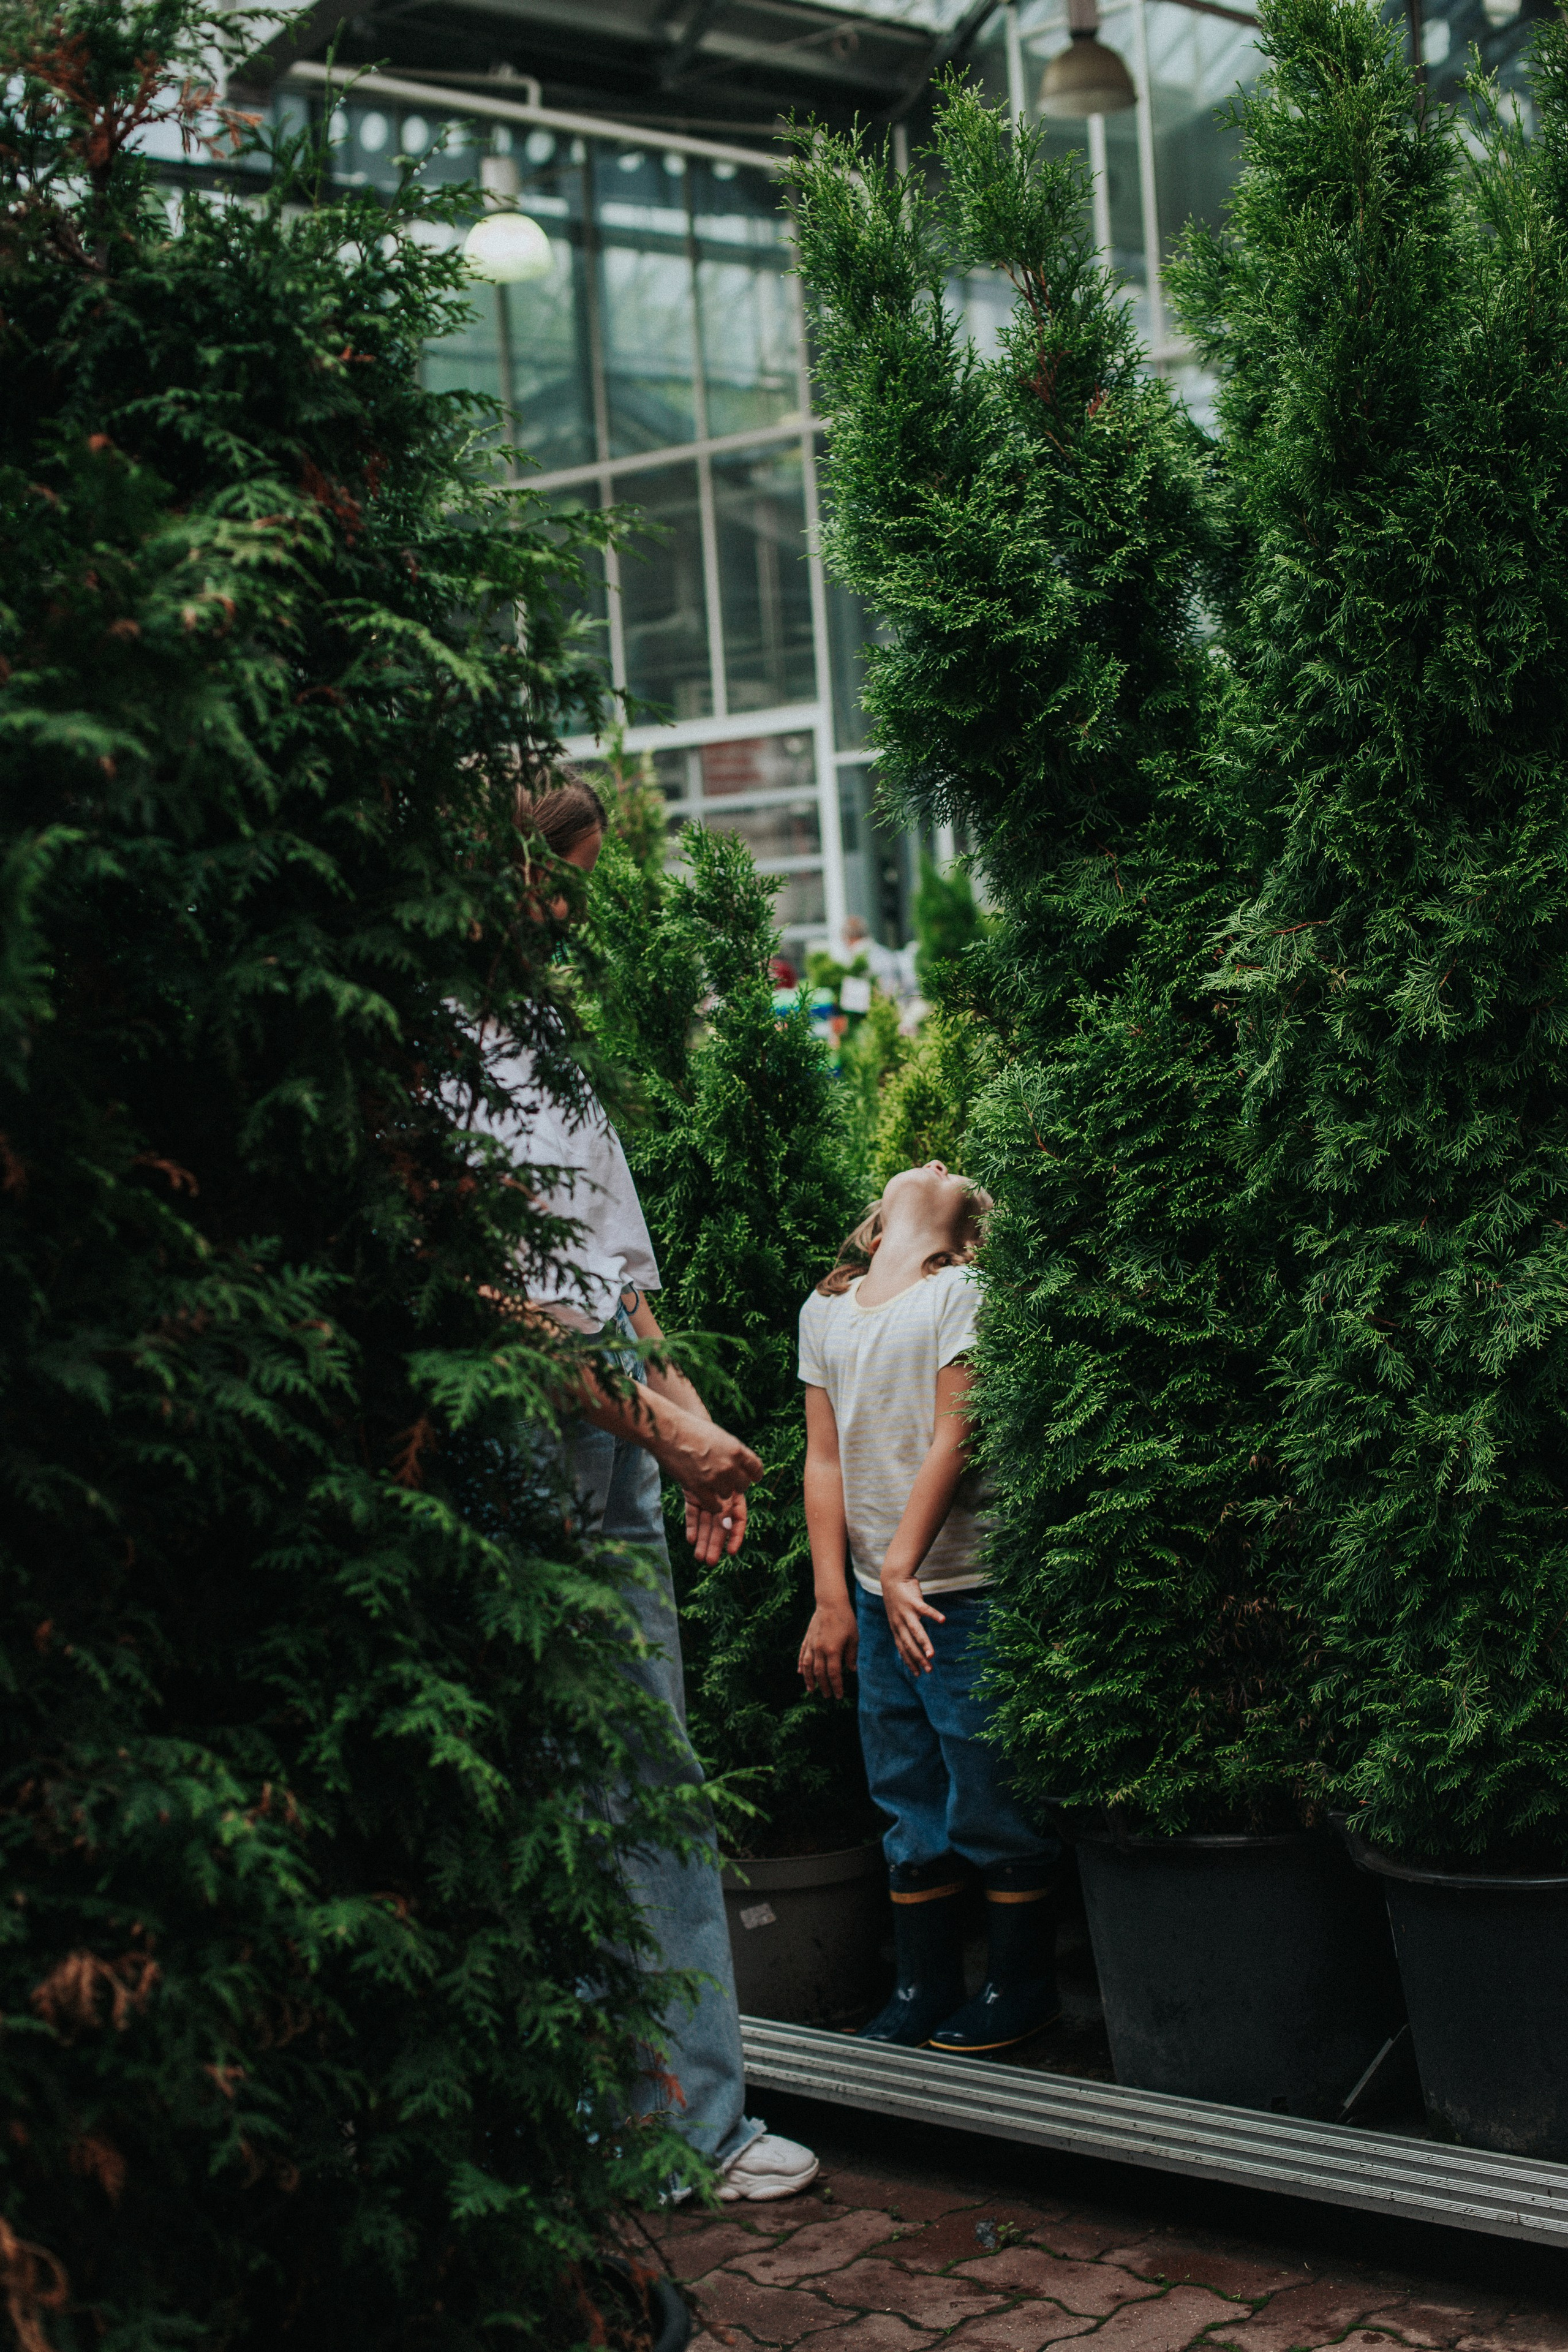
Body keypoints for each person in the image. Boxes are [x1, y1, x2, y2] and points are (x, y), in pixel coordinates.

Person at [461, 771, 818, 2201]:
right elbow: (481, 1290)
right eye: (559, 878)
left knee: (648, 1776)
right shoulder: (415, 1047)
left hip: (613, 1431)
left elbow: (618, 1270)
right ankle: (555, 2135)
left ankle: (691, 2126)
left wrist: (691, 1432)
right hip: (494, 1436)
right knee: (520, 1783)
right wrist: (655, 1427)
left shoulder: (545, 1036)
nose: (570, 908)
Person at [795, 1163, 1062, 2054]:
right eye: (924, 1163)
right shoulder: (825, 1313)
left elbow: (963, 1430)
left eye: (955, 1172)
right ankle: (924, 1983)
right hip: (878, 1603)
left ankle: (1021, 1989)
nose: (939, 1161)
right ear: (873, 1233)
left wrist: (905, 1564)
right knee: (904, 1784)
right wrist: (838, 1596)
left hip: (962, 1593)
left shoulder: (963, 1294)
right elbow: (823, 1462)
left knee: (985, 1781)